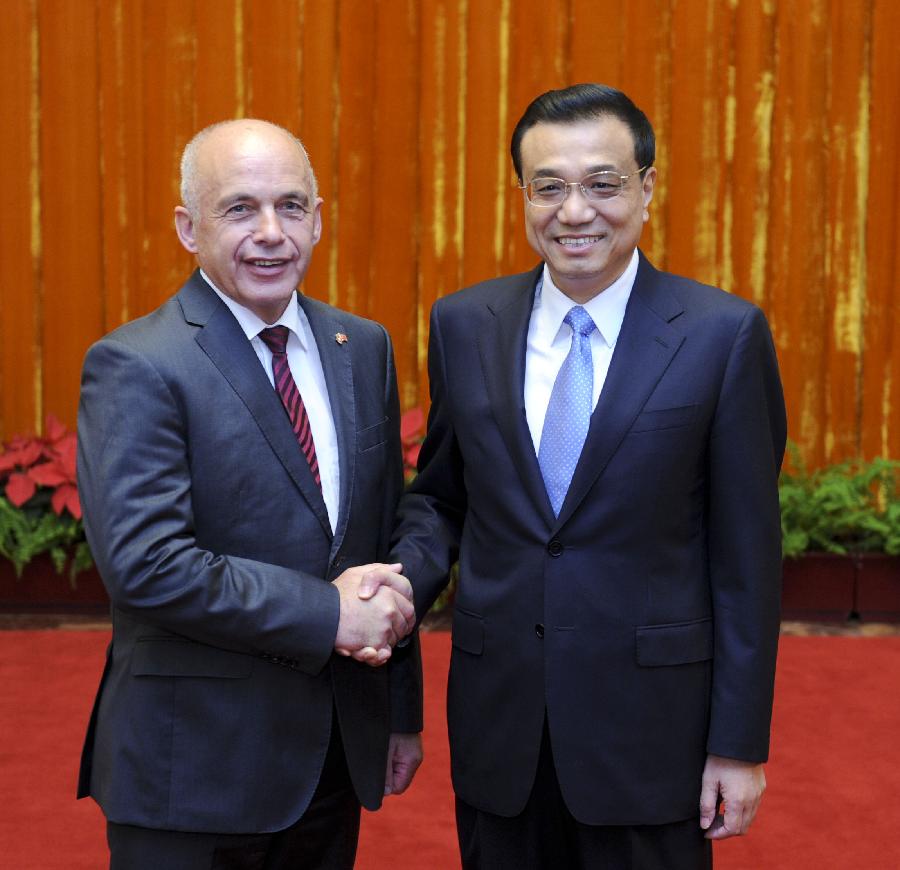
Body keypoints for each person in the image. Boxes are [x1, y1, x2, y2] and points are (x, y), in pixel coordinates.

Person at [390, 84, 786, 869]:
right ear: (523, 195)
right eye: (550, 187)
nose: (575, 211)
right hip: (501, 728)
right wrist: (395, 590)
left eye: (602, 184)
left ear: (646, 187)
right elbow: (441, 498)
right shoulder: (463, 324)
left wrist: (738, 745)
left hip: (652, 737)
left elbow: (747, 562)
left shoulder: (722, 336)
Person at [76, 119, 423, 870]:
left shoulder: (361, 347)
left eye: (291, 206)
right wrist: (331, 611)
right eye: (239, 209)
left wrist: (399, 712)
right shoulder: (137, 364)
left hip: (332, 757)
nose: (271, 233)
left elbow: (381, 541)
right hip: (191, 772)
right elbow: (148, 566)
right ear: (187, 227)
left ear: (319, 218)